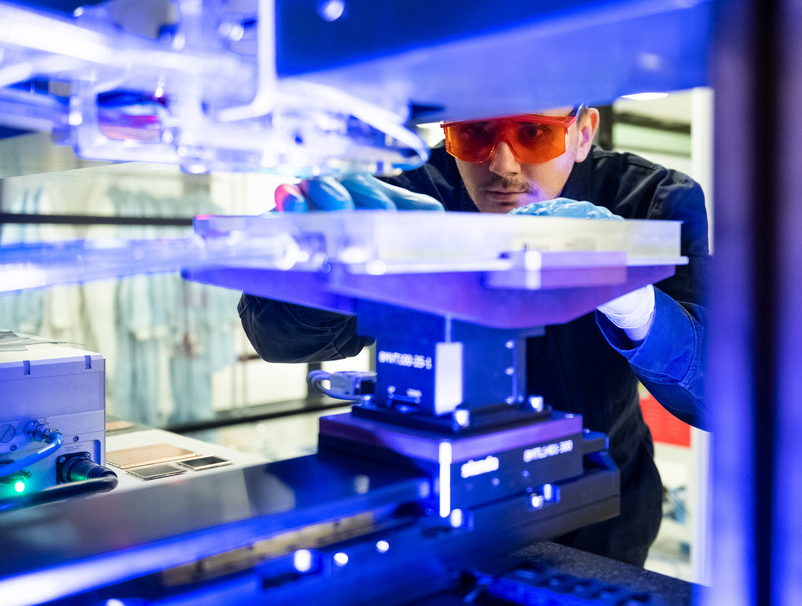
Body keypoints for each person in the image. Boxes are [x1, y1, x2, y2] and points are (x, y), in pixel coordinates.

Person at [238, 104, 709, 567]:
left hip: (599, 516)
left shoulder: (651, 201)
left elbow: (713, 394)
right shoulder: (412, 191)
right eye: (476, 132)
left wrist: (637, 303)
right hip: (436, 505)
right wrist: (316, 267)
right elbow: (277, 338)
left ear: (583, 133)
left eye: (534, 133)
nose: (502, 166)